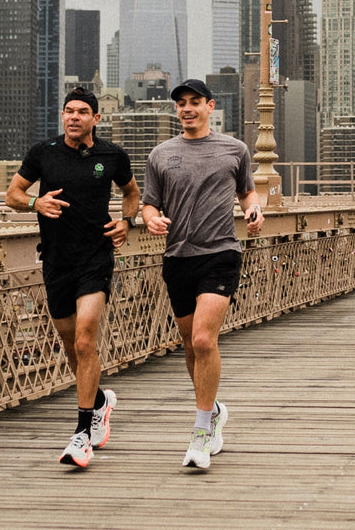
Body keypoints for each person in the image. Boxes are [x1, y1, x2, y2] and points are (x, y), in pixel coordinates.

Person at [5, 87, 141, 468]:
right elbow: (12, 194)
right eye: (68, 111)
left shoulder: (112, 155)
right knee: (70, 345)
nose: (74, 117)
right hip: (56, 259)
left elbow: (132, 193)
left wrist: (126, 221)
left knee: (85, 340)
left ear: (96, 118)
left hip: (95, 257)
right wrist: (36, 201)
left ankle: (82, 433)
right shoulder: (43, 153)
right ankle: (99, 401)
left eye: (82, 111)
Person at [142, 78, 264, 469]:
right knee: (189, 344)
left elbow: (247, 191)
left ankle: (200, 432)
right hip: (178, 256)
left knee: (203, 339)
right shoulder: (161, 154)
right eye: (181, 104)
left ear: (211, 106)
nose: (187, 108)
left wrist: (253, 209)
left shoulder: (235, 149)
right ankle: (212, 412)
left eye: (195, 102)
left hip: (220, 253)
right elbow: (148, 204)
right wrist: (151, 220)